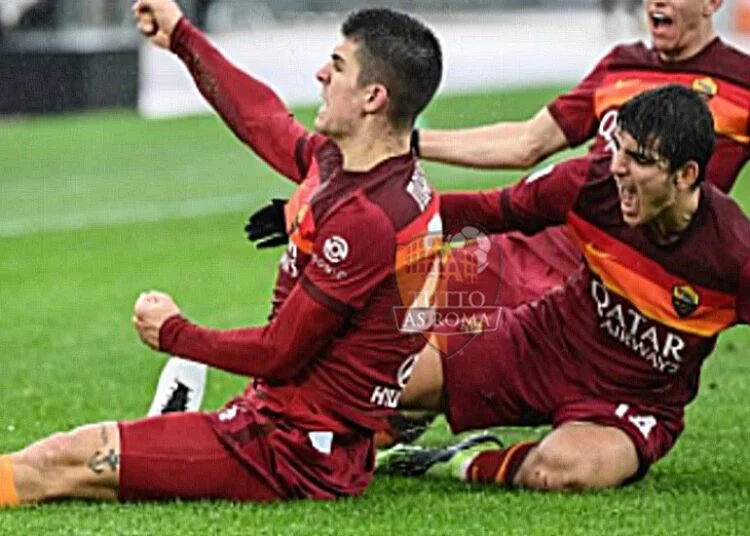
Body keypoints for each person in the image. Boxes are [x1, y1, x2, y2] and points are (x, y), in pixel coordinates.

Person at [0, 0, 444, 506]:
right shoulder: (362, 171)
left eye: (338, 66)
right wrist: (183, 39)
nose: (321, 74)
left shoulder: (367, 217)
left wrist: (174, 332)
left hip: (290, 453)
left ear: (373, 97)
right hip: (306, 434)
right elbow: (263, 120)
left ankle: (167, 440)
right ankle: (166, 436)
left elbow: (280, 352)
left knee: (61, 460)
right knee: (84, 457)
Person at [377, 84, 750, 491]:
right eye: (618, 149)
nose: (618, 168)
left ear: (686, 175)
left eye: (639, 160)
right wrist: (372, 219)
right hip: (543, 344)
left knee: (561, 468)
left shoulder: (734, 256)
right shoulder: (590, 184)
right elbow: (488, 210)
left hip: (633, 404)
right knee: (382, 378)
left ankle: (453, 461)